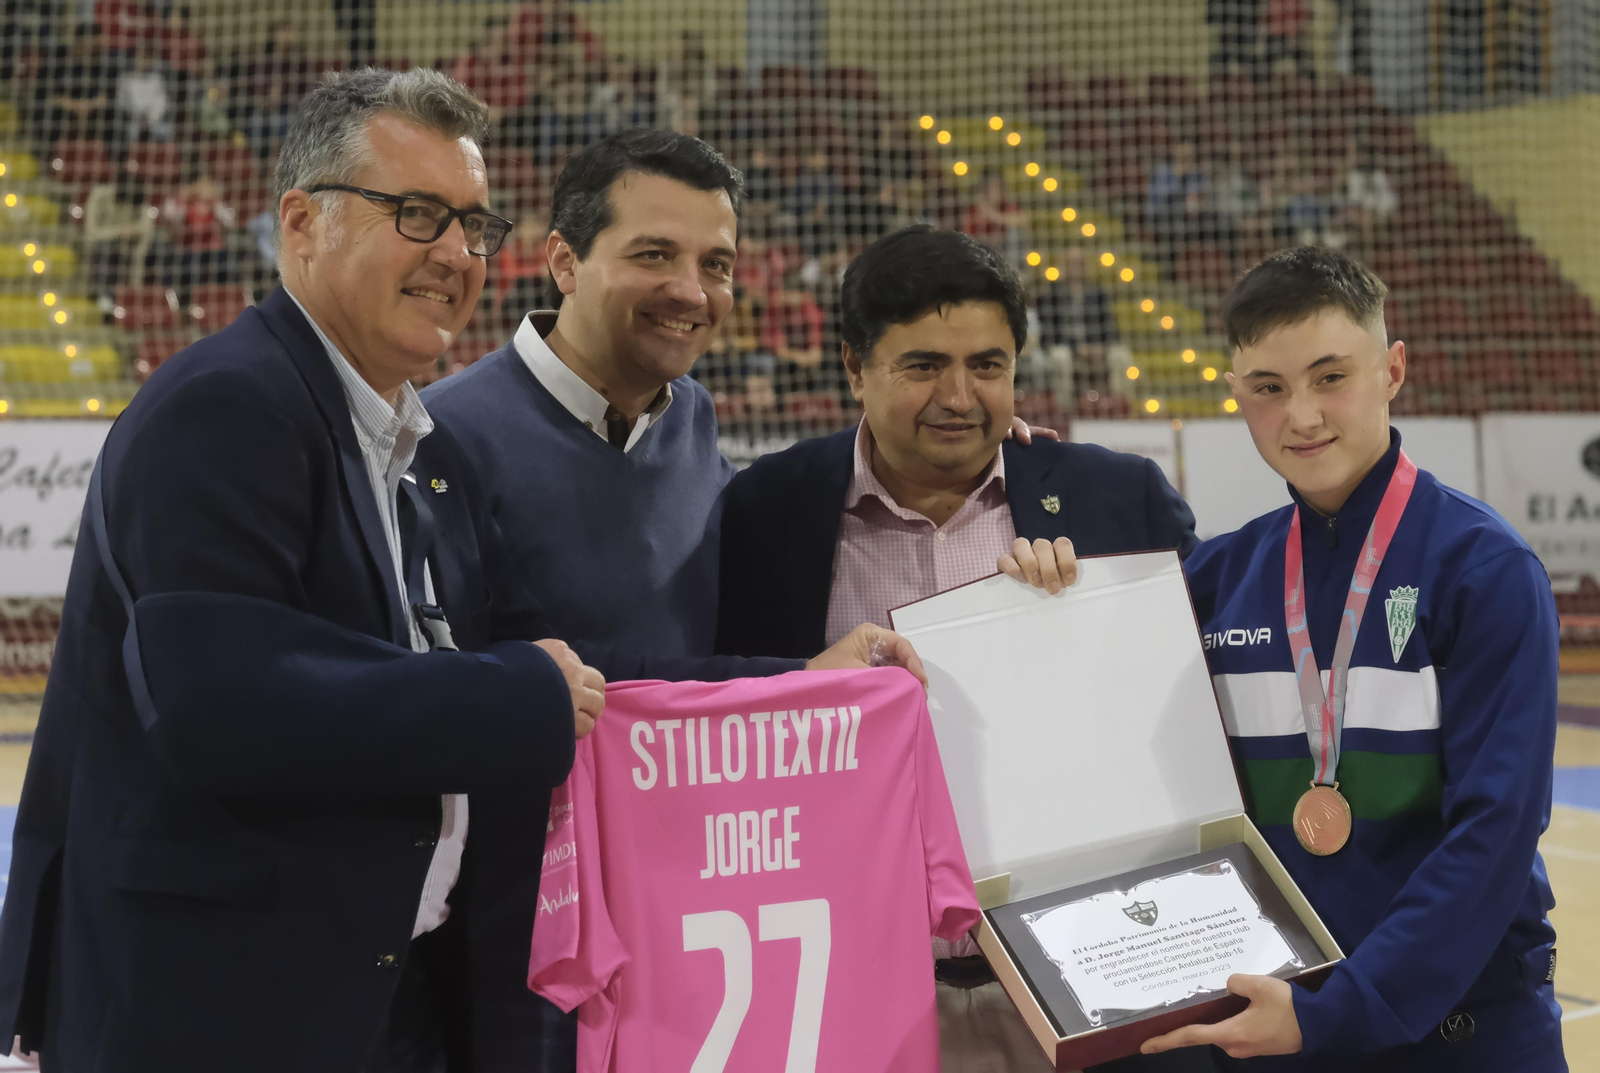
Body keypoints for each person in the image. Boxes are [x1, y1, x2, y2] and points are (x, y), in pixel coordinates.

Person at [0, 66, 603, 1070]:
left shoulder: (429, 454)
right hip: (214, 1009)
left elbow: (557, 656)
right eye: (418, 213)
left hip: (375, 994)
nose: (457, 253)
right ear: (302, 222)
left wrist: (790, 678)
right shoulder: (224, 405)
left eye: (474, 225)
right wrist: (517, 695)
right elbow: (223, 701)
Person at [418, 127, 931, 1071]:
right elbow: (517, 680)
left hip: (689, 889)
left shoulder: (690, 415)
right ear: (563, 261)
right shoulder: (447, 437)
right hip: (524, 922)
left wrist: (981, 455)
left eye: (715, 264)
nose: (692, 290)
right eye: (654, 254)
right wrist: (791, 677)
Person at [717, 225, 1208, 1073]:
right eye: (923, 365)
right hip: (856, 988)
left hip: (1085, 976)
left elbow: (1192, 714)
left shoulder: (1115, 500)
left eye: (987, 364)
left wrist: (1084, 621)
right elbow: (719, 710)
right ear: (854, 366)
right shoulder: (765, 512)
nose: (959, 395)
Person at [1147, 248, 1565, 1071]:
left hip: (1462, 1037)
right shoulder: (1215, 581)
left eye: (1330, 377)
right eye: (1268, 387)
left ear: (1392, 369)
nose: (1301, 415)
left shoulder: (1484, 570)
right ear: (1237, 394)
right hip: (1279, 1029)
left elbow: (1493, 833)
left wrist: (1340, 1007)